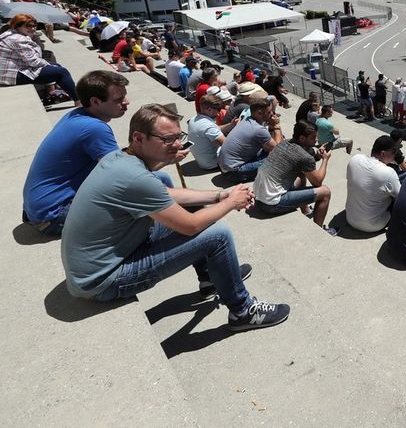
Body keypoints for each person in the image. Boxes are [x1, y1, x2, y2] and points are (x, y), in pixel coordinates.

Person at [60, 104, 290, 331]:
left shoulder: (121, 159)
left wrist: (220, 195)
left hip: (106, 257)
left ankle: (213, 277)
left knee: (194, 205)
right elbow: (190, 227)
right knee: (218, 235)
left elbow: (167, 195)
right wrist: (231, 203)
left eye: (178, 136)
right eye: (168, 139)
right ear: (139, 138)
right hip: (103, 280)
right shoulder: (134, 177)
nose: (178, 144)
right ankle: (243, 311)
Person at [22, 71, 129, 236]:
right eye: (118, 99)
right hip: (54, 215)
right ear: (95, 101)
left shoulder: (76, 115)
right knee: (140, 206)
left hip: (38, 208)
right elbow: (123, 175)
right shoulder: (95, 128)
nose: (126, 102)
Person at [252, 121, 333, 230]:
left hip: (259, 198)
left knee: (301, 174)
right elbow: (317, 182)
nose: (317, 139)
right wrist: (325, 160)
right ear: (302, 138)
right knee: (325, 192)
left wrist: (317, 156)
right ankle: (318, 229)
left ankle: (306, 211)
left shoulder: (283, 144)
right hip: (271, 204)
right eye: (313, 137)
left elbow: (303, 162)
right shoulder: (304, 156)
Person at [0, 13, 79, 104]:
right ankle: (78, 100)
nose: (33, 28)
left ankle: (68, 91)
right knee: (62, 72)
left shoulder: (9, 34)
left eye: (34, 26)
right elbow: (33, 62)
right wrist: (49, 64)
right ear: (18, 26)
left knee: (56, 67)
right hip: (12, 75)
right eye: (29, 26)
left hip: (9, 71)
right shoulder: (18, 39)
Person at [344, 135, 401, 233]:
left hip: (350, 218)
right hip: (373, 225)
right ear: (383, 154)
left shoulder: (355, 158)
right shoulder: (388, 172)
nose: (394, 156)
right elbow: (402, 197)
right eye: (393, 152)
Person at [218, 99, 283, 181]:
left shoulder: (246, 120)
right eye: (269, 112)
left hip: (225, 168)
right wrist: (277, 125)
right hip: (234, 172)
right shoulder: (258, 129)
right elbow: (279, 149)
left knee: (268, 150)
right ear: (259, 113)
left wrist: (271, 127)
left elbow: (269, 145)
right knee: (279, 159)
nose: (272, 114)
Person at [188, 93, 239, 171]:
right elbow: (228, 146)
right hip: (213, 163)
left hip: (204, 161)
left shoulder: (194, 119)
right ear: (209, 109)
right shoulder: (208, 126)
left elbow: (216, 129)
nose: (219, 113)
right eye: (218, 110)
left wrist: (231, 125)